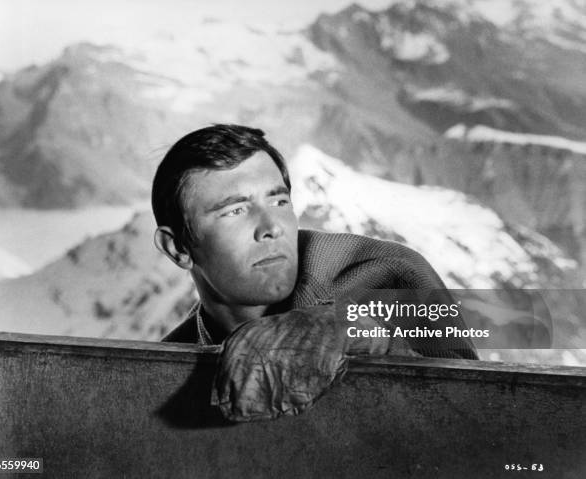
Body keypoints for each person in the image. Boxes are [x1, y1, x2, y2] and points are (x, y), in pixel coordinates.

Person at [152, 124, 478, 359]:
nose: (271, 228)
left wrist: (386, 349)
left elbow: (480, 414)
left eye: (279, 202)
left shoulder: (391, 274)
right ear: (178, 248)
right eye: (235, 210)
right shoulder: (167, 366)